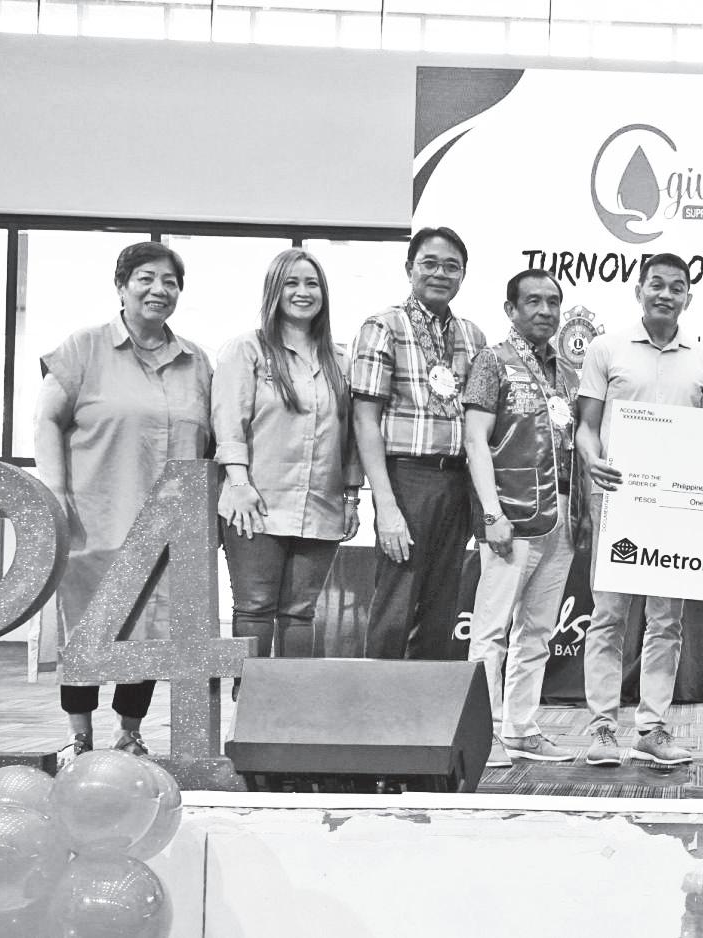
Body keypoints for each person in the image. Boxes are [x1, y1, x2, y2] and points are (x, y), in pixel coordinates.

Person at [33, 241, 212, 757]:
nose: (159, 289)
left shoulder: (196, 361)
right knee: (86, 627)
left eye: (170, 282)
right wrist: (55, 490)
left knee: (151, 628)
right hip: (96, 516)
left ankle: (130, 732)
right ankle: (79, 736)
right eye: (146, 278)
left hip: (168, 527)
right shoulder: (84, 347)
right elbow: (47, 419)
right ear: (121, 286)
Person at [576, 252, 703, 767]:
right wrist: (592, 461)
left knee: (666, 621)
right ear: (638, 290)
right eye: (656, 284)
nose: (665, 294)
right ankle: (602, 728)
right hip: (617, 499)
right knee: (608, 616)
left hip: (675, 508)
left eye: (676, 287)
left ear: (689, 297)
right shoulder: (606, 349)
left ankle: (651, 728)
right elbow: (586, 427)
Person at [214, 249, 360, 683]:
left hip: (321, 505)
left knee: (300, 612)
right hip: (255, 502)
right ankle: (250, 707)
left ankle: (296, 706)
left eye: (312, 283)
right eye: (292, 283)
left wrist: (352, 497)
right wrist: (238, 482)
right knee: (255, 607)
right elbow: (228, 421)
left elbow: (351, 437)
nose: (302, 292)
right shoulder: (246, 349)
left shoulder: (341, 360)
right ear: (274, 291)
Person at [350, 226, 487, 660]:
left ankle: (427, 702)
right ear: (409, 268)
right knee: (396, 600)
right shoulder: (384, 326)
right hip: (406, 478)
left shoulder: (472, 336)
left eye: (451, 266)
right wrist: (385, 505)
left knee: (442, 604)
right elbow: (365, 420)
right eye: (429, 263)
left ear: (463, 275)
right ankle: (377, 700)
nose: (440, 274)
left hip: (456, 481)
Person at [462, 269, 580, 763]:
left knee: (536, 632)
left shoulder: (567, 373)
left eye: (553, 301)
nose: (545, 310)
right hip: (510, 515)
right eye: (533, 301)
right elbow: (475, 440)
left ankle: (521, 729)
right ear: (511, 309)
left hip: (561, 517)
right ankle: (482, 735)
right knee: (490, 631)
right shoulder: (493, 361)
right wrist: (491, 513)